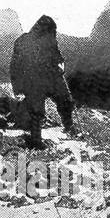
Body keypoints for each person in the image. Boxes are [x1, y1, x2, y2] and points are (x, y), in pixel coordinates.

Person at [9, 15, 74, 149]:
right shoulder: (23, 41)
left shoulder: (48, 39)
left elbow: (57, 55)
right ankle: (36, 140)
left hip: (52, 78)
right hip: (34, 80)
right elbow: (15, 66)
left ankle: (69, 127)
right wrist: (18, 87)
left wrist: (61, 63)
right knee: (36, 111)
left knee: (65, 100)